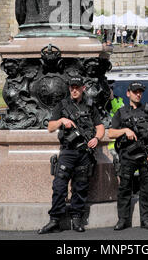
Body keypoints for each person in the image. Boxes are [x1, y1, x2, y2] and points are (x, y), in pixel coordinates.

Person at [38, 76, 105, 234]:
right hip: (68, 151)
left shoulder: (90, 106)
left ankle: (77, 219)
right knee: (59, 186)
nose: (74, 90)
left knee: (80, 187)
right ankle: (55, 220)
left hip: (84, 152)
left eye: (77, 87)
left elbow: (100, 127)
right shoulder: (62, 105)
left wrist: (96, 138)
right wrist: (62, 120)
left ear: (83, 88)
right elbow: (50, 127)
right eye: (71, 87)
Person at [108, 82, 148, 231]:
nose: (138, 94)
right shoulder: (121, 112)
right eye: (135, 92)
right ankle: (122, 219)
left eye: (140, 92)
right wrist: (125, 130)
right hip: (127, 155)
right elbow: (110, 133)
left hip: (146, 155)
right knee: (125, 188)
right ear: (128, 94)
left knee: (147, 188)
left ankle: (146, 219)